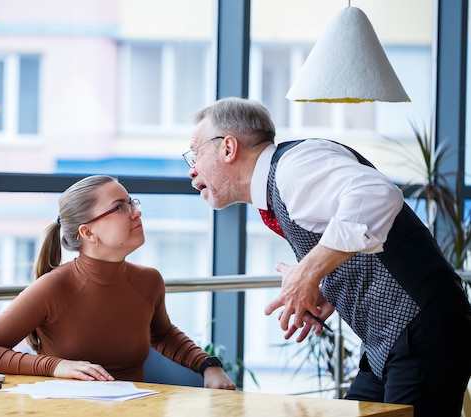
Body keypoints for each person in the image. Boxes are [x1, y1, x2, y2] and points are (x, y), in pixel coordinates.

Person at [183, 96, 471, 416]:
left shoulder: (294, 166)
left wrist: (308, 272)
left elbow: (378, 195)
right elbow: (366, 235)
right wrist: (329, 282)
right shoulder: (281, 179)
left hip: (423, 330)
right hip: (388, 343)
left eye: (195, 153)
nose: (192, 171)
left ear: (227, 148)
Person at [0, 175, 235, 390]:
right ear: (87, 231)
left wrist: (209, 366)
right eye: (120, 207)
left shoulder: (149, 281)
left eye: (132, 203)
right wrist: (55, 366)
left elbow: (163, 335)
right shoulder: (54, 287)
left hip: (137, 410)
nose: (136, 212)